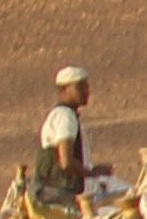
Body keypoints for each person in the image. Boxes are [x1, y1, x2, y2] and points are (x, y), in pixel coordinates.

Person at [30, 65, 100, 207]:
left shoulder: (65, 115)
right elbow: (66, 162)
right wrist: (92, 174)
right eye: (80, 87)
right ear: (64, 90)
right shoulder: (65, 116)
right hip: (57, 194)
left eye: (86, 87)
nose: (86, 91)